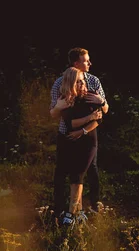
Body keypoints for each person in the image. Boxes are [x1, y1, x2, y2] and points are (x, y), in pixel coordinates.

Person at [50, 48, 108, 221]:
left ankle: (91, 206)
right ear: (76, 63)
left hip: (88, 135)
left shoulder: (93, 83)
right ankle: (60, 209)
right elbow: (56, 114)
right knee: (62, 171)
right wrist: (60, 107)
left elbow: (102, 112)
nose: (90, 63)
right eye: (86, 60)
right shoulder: (60, 84)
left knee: (91, 170)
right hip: (66, 134)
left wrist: (101, 102)